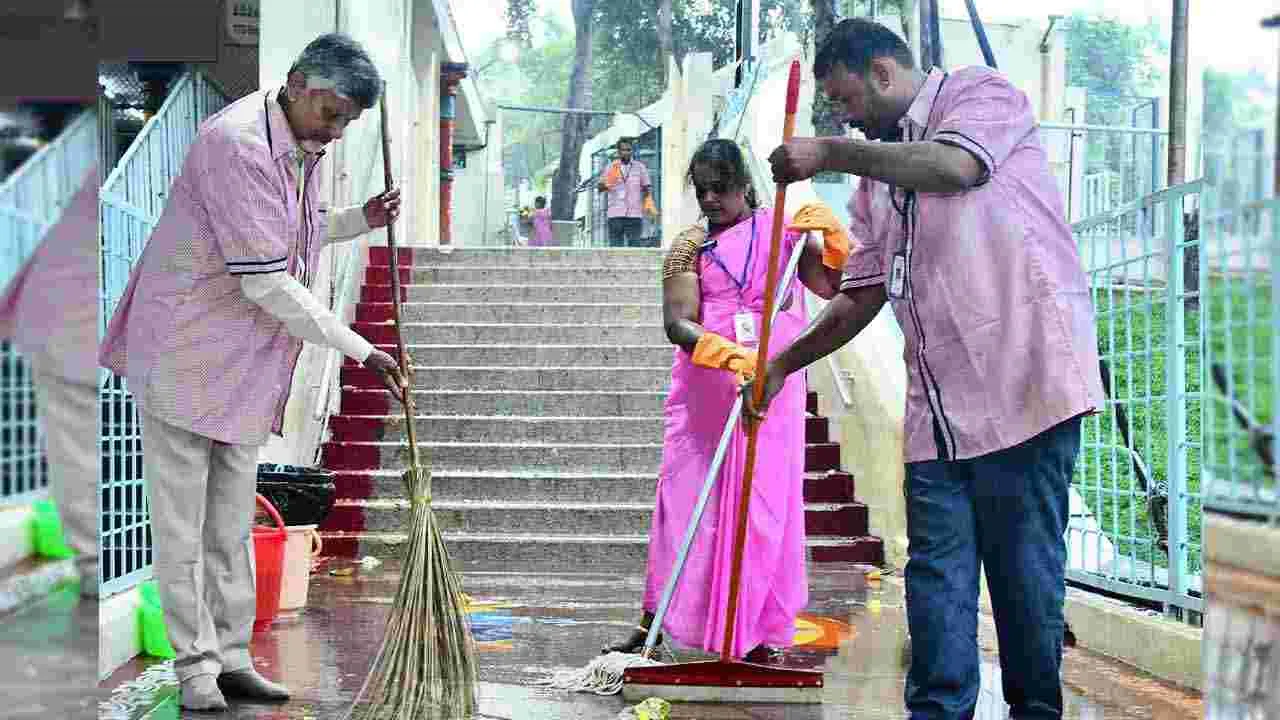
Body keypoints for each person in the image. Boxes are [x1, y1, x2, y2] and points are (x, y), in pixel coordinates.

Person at [753, 18, 1105, 720]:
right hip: (938, 423)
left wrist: (829, 150)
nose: (845, 115)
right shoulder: (877, 186)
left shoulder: (982, 97)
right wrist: (779, 365)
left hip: (1024, 392)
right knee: (936, 584)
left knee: (1024, 583)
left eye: (847, 98)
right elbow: (861, 296)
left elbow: (954, 167)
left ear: (884, 73)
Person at [98, 33, 409, 711]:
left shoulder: (305, 146)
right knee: (182, 529)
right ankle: (195, 674)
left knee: (231, 525)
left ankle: (233, 660)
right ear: (298, 82)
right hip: (185, 353)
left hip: (241, 365)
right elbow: (267, 280)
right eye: (331, 112)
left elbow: (295, 231)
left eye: (349, 121)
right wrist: (363, 350)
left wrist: (361, 218)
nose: (336, 130)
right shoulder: (236, 142)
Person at [604, 139, 849, 662]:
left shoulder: (781, 231)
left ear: (745, 185)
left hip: (773, 382)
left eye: (722, 188)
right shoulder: (688, 245)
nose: (712, 199)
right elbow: (678, 321)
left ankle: (756, 631)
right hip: (709, 389)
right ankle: (656, 621)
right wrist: (721, 353)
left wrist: (830, 240)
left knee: (763, 503)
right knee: (687, 500)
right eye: (703, 190)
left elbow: (832, 287)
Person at [0, 161, 100, 600]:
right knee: (80, 448)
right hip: (71, 320)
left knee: (79, 448)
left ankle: (99, 562)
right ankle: (98, 564)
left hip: (65, 315)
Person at [597, 137, 656, 247]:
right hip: (615, 214)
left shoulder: (640, 167)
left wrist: (648, 203)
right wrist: (610, 180)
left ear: (632, 151)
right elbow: (600, 188)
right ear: (618, 152)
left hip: (634, 215)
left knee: (635, 248)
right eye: (623, 150)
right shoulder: (611, 167)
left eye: (629, 150)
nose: (626, 153)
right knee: (615, 249)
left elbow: (646, 187)